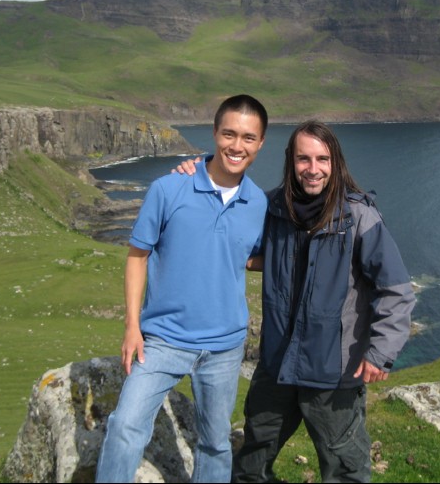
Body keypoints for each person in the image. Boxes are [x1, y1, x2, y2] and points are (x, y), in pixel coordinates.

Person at [178, 120, 416, 482]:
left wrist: (381, 352)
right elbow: (224, 230)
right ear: (291, 161)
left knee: (345, 469)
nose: (313, 169)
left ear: (335, 162)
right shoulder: (270, 208)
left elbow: (395, 288)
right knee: (252, 461)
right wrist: (196, 172)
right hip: (277, 364)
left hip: (334, 372)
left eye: (322, 159)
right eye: (304, 159)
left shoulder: (358, 216)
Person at [95, 94, 269, 483]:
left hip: (225, 346)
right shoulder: (168, 189)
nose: (236, 146)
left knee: (216, 443)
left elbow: (247, 255)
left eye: (247, 138)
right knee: (125, 426)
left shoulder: (258, 202)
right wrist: (131, 326)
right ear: (214, 133)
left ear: (260, 144)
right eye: (228, 134)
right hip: (163, 340)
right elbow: (137, 255)